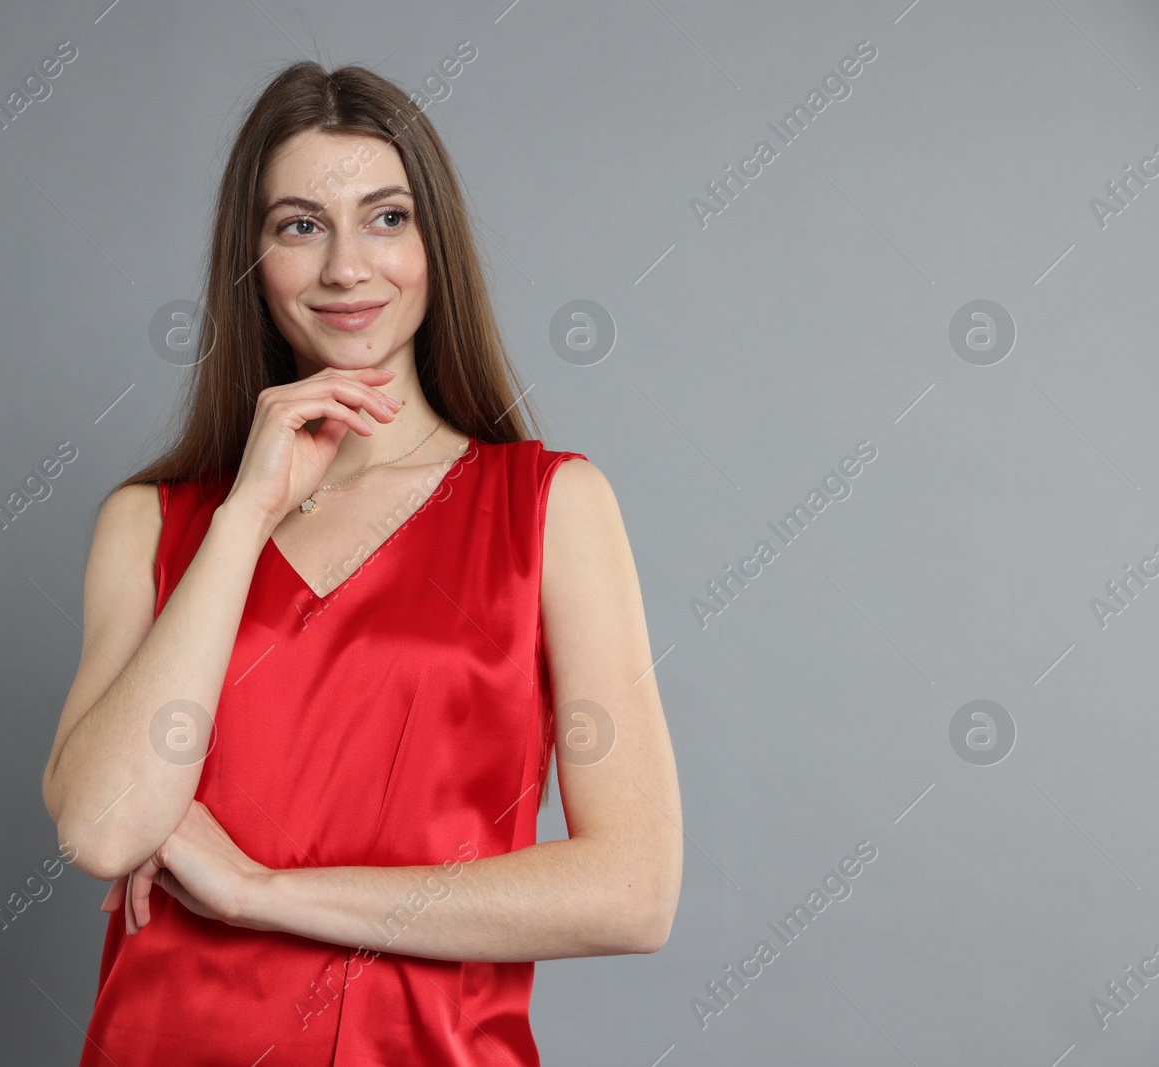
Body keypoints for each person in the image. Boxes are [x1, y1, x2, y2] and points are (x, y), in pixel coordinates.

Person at [40, 59, 681, 1066]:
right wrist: (245, 512)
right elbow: (104, 829)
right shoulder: (152, 523)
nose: (347, 266)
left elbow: (633, 890)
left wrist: (266, 894)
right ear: (251, 259)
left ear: (435, 245)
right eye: (300, 224)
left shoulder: (551, 507)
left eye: (385, 218)